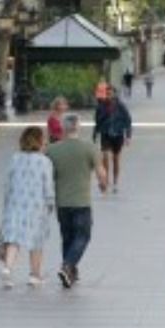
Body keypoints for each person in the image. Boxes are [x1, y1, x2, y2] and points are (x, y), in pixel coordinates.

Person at [46, 114, 109, 288]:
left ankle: (71, 272)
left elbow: (46, 176)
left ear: (63, 128)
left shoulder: (51, 150)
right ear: (78, 127)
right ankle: (67, 266)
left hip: (62, 202)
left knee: (67, 237)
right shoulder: (89, 148)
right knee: (83, 236)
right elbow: (101, 172)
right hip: (81, 202)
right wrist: (104, 185)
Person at [0, 126, 55, 289]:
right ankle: (34, 276)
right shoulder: (45, 162)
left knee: (13, 239)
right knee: (36, 241)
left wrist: (6, 202)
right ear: (40, 141)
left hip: (15, 204)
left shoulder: (15, 158)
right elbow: (48, 186)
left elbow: (7, 183)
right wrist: (50, 204)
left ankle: (7, 269)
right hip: (36, 207)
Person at [92, 89, 133, 193]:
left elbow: (128, 121)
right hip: (105, 134)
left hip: (118, 134)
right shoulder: (101, 107)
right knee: (105, 156)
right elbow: (97, 122)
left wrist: (128, 136)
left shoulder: (121, 106)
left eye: (110, 94)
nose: (108, 96)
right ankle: (106, 180)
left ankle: (115, 183)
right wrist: (95, 135)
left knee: (115, 159)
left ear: (114, 94)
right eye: (107, 94)